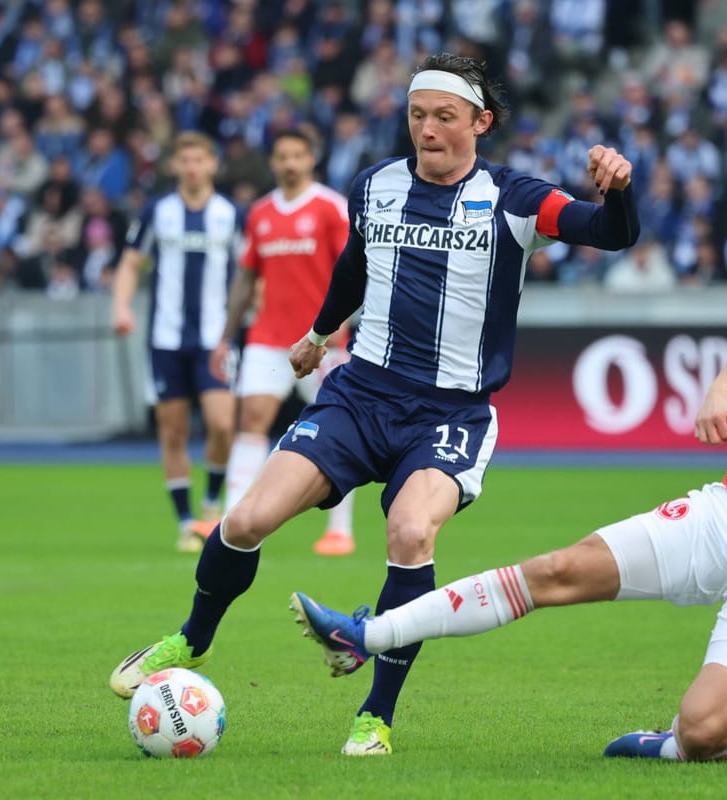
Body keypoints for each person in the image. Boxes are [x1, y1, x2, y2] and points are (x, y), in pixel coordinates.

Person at [289, 222, 727, 762]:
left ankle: (678, 744)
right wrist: (723, 387)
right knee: (560, 570)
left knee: (701, 733)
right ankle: (366, 633)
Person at [108, 52, 641, 755]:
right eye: (418, 115)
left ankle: (375, 717)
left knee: (412, 535)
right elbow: (356, 267)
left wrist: (618, 191)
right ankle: (193, 638)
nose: (427, 129)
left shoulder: (515, 199)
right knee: (246, 518)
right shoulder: (375, 186)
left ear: (480, 122)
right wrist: (319, 333)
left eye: (444, 117)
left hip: (450, 414)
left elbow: (611, 233)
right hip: (359, 395)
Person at [210, 128, 358, 557]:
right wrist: (225, 336)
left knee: (339, 430)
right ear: (273, 162)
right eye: (282, 155)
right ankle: (232, 517)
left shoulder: (331, 208)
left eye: (297, 155)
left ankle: (339, 529)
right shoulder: (259, 213)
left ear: (311, 158)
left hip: (322, 341)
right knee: (252, 419)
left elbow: (354, 271)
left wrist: (337, 330)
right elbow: (246, 278)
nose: (290, 163)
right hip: (268, 338)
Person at [112, 131, 240, 554]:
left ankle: (210, 502)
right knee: (174, 431)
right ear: (174, 166)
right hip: (166, 338)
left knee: (222, 424)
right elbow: (131, 263)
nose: (191, 168)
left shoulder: (230, 215)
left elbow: (249, 270)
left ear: (212, 165)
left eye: (198, 160)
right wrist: (121, 306)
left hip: (215, 339)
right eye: (184, 160)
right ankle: (187, 522)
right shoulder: (158, 212)